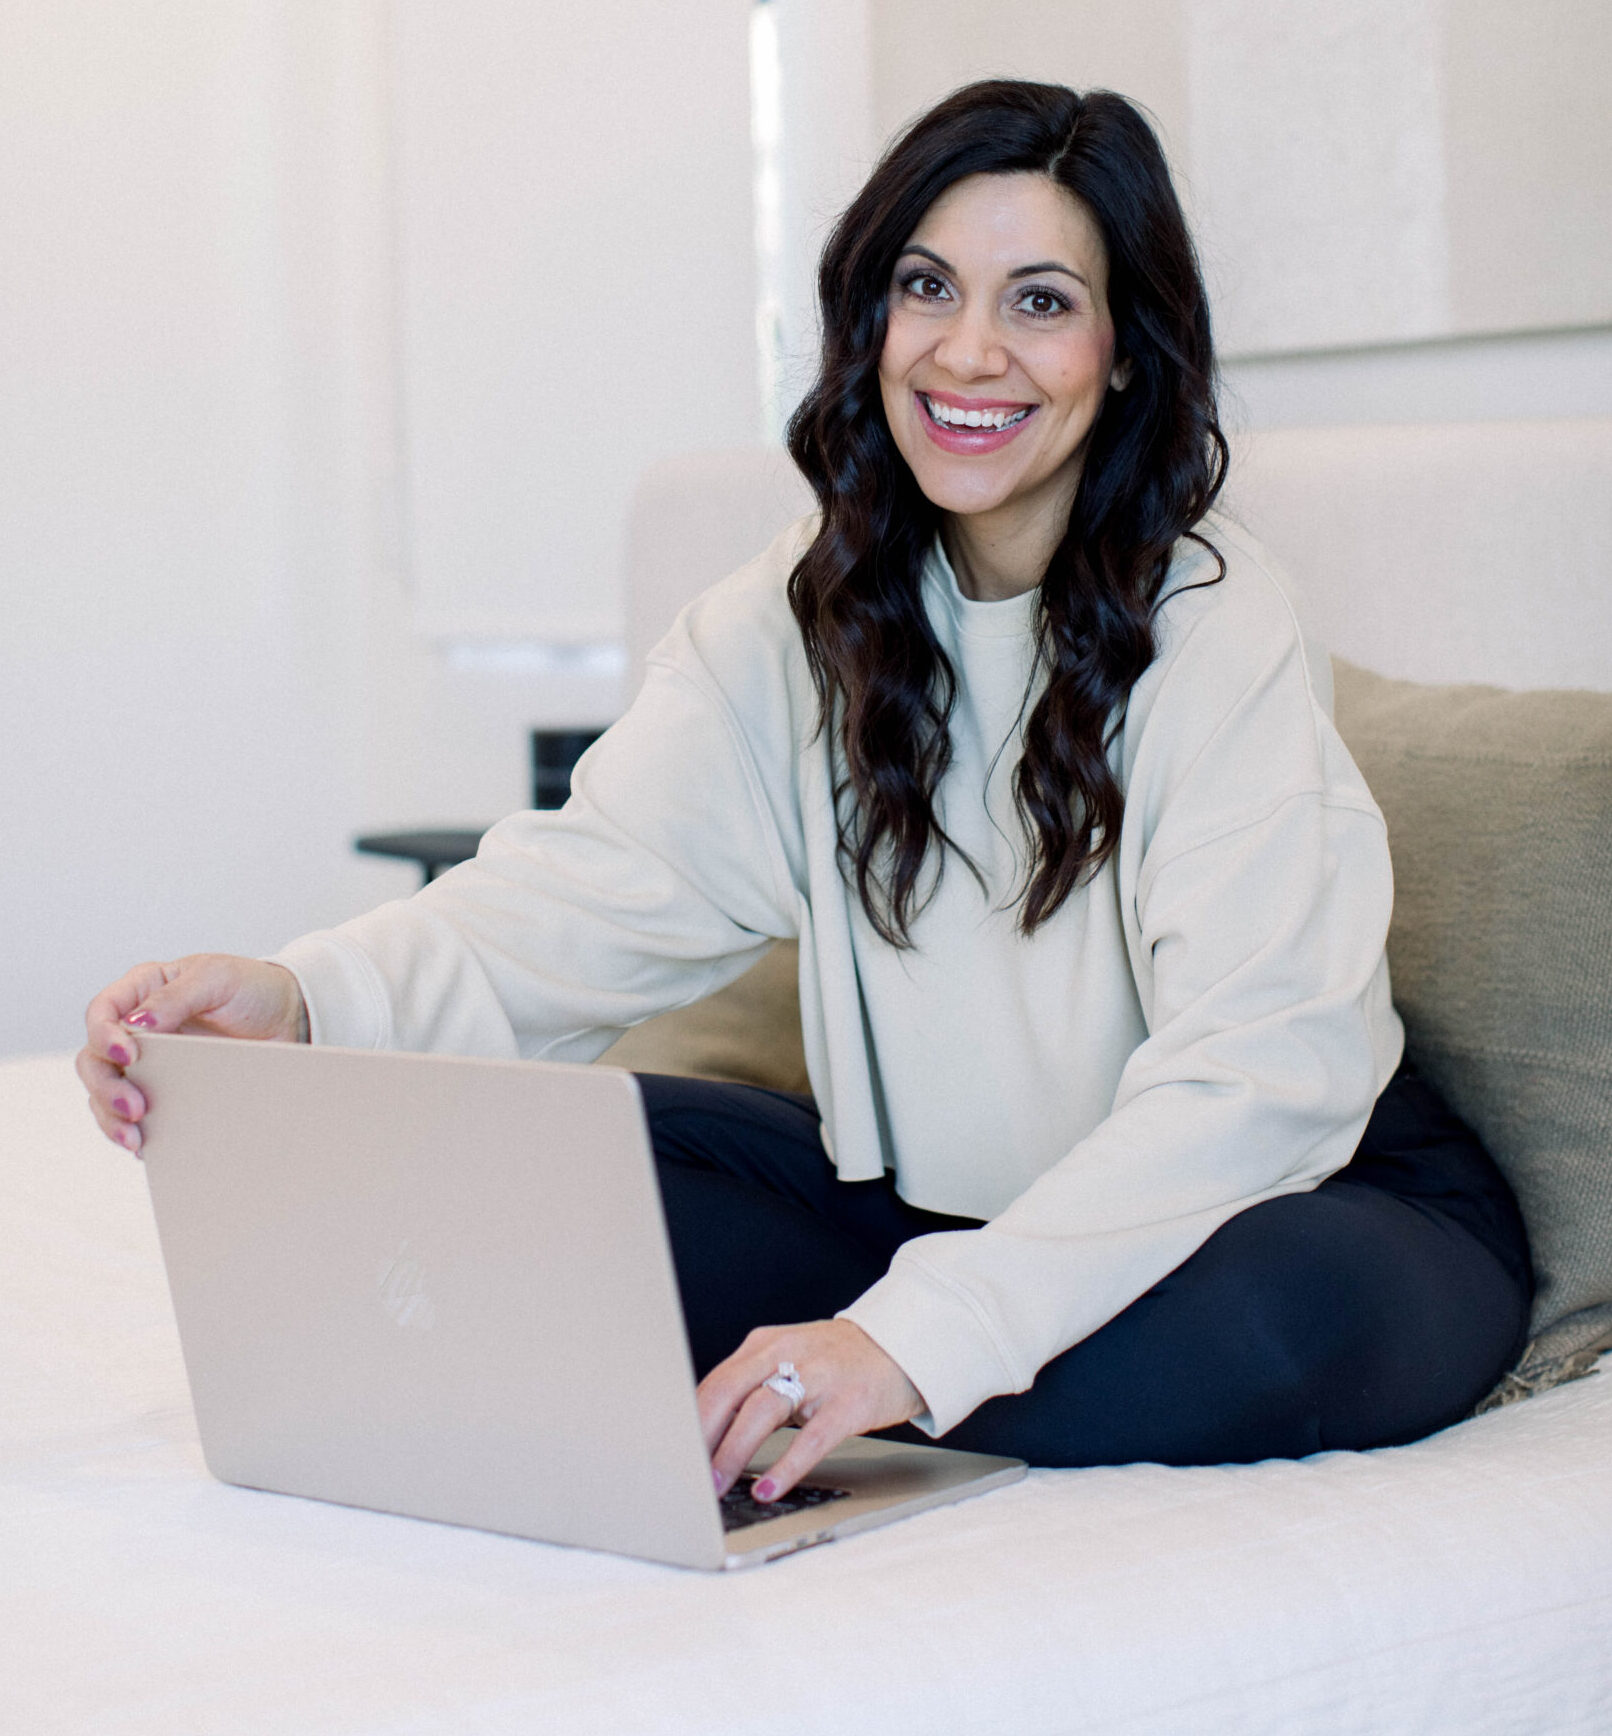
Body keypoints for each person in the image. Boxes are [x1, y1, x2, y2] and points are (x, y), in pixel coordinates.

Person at [79, 80, 1532, 1507]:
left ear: (1128, 352)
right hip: (941, 1217)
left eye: (1040, 301)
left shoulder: (1217, 621)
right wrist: (298, 998)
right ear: (872, 318)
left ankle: (900, 1354)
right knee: (546, 1175)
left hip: (1294, 1200)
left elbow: (1259, 1084)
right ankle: (908, 1347)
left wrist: (907, 1333)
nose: (970, 353)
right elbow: (576, 902)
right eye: (926, 287)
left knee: (1261, 1333)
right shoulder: (791, 616)